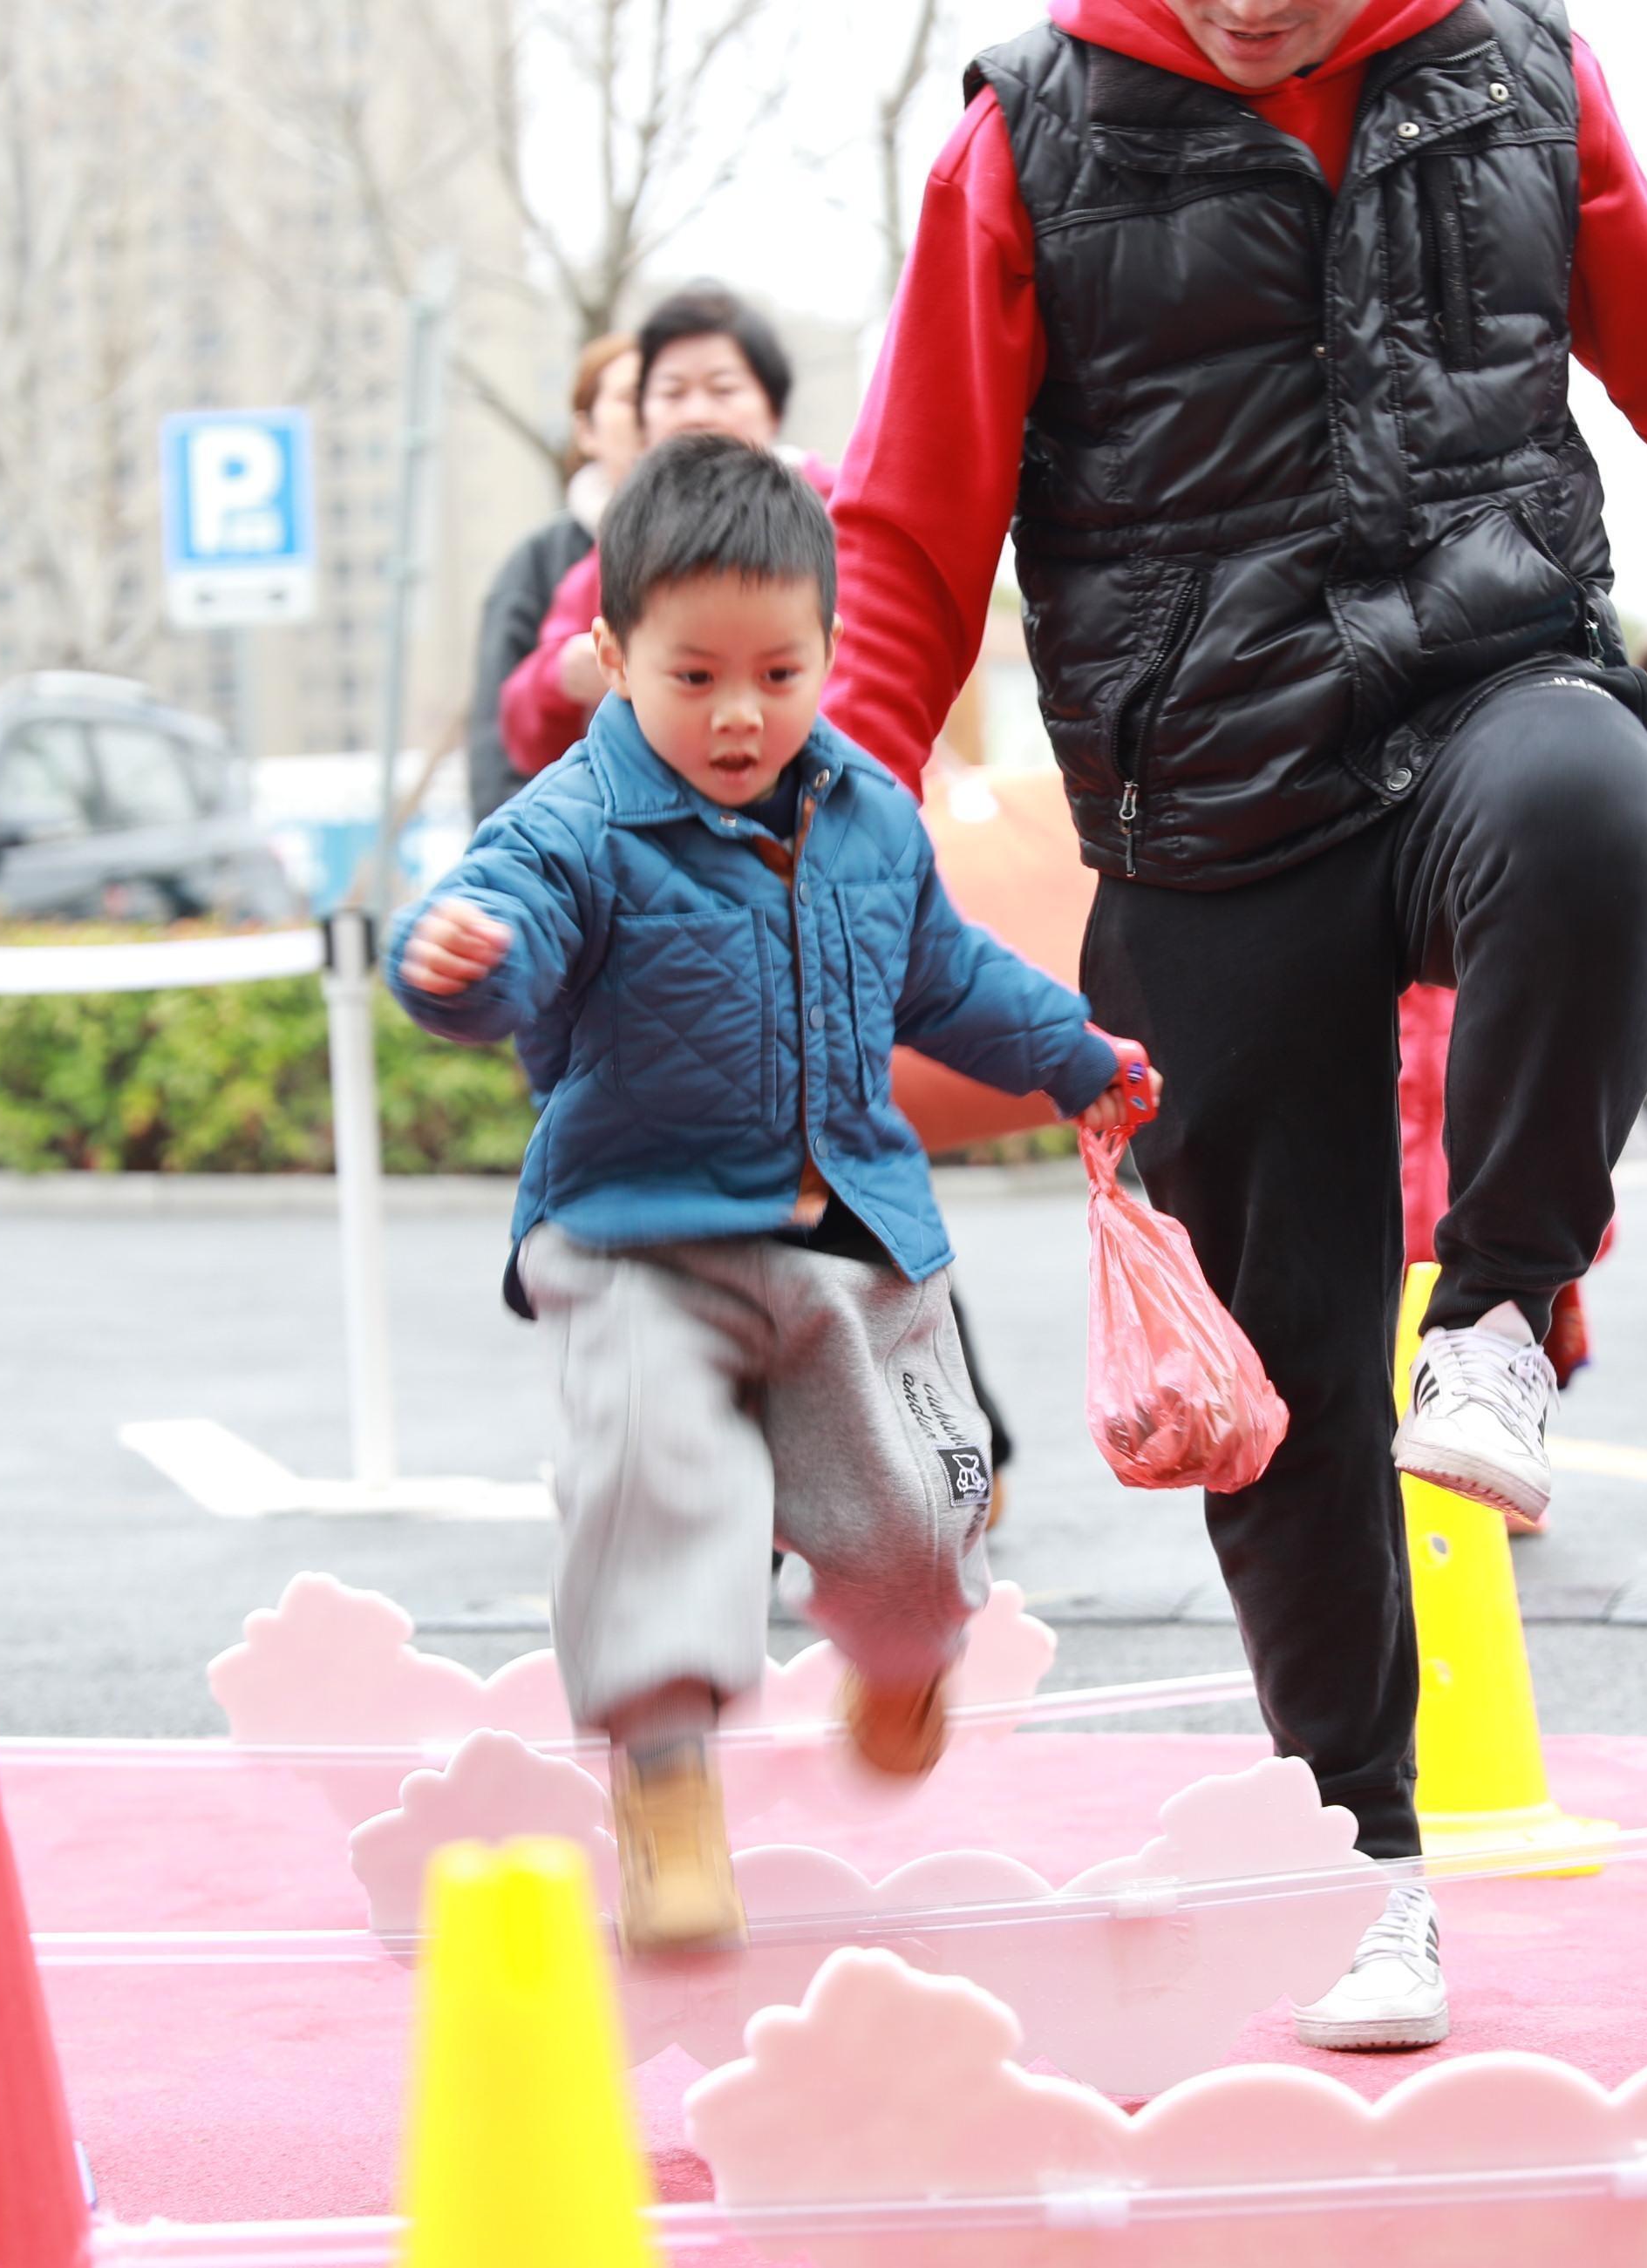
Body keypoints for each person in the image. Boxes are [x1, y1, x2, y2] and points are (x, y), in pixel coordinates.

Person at [824, 0, 1647, 2051]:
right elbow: (909, 529)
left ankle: (1505, 1313)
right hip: (1207, 811)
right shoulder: (1024, 141)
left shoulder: (1516, 73)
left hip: (1482, 691)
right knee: (1284, 1387)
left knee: (1597, 819)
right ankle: (1357, 1856)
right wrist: (823, 838)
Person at [386, 436, 1145, 1955]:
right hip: (636, 1235)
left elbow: (946, 978)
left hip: (844, 1230)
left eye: (777, 672)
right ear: (614, 659)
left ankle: (905, 1653)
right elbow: (502, 922)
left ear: (827, 649)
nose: (737, 712)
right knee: (654, 1486)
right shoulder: (571, 825)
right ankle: (665, 1782)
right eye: (692, 676)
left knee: (917, 1516)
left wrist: (1074, 1053)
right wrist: (461, 960)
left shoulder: (868, 816)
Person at [497, 283, 813, 778]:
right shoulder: (614, 555)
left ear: (773, 408)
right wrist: (562, 677)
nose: (696, 413)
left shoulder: (837, 520)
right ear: (645, 417)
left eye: (723, 389)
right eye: (672, 393)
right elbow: (522, 733)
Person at [466, 332, 643, 823]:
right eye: (631, 397)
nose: (653, 414)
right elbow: (497, 747)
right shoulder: (542, 562)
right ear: (585, 429)